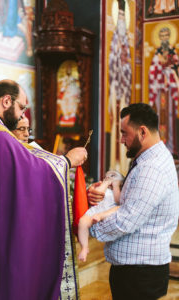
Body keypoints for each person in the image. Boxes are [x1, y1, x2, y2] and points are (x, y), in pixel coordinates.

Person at [0, 79, 87, 300]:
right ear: (6, 101)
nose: (21, 115)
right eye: (21, 107)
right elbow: (32, 173)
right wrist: (67, 161)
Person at [87, 103, 179, 300]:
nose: (121, 139)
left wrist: (90, 226)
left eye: (124, 133)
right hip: (138, 269)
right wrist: (112, 184)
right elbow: (134, 196)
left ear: (142, 132)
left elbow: (126, 219)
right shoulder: (150, 159)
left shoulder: (152, 168)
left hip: (139, 274)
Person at [78, 170, 124, 262]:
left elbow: (119, 201)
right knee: (82, 222)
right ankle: (84, 247)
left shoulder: (116, 192)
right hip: (94, 212)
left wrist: (115, 186)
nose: (110, 178)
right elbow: (97, 193)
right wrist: (105, 183)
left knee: (118, 208)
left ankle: (100, 216)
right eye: (108, 176)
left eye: (113, 177)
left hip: (106, 212)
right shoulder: (102, 188)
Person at [149, 26, 179, 155]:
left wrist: (170, 72)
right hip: (160, 91)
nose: (164, 39)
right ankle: (160, 147)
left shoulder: (173, 53)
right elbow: (152, 72)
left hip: (170, 93)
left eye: (167, 36)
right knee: (160, 118)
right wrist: (161, 74)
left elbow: (176, 70)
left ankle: (171, 147)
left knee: (171, 118)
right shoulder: (157, 54)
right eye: (162, 36)